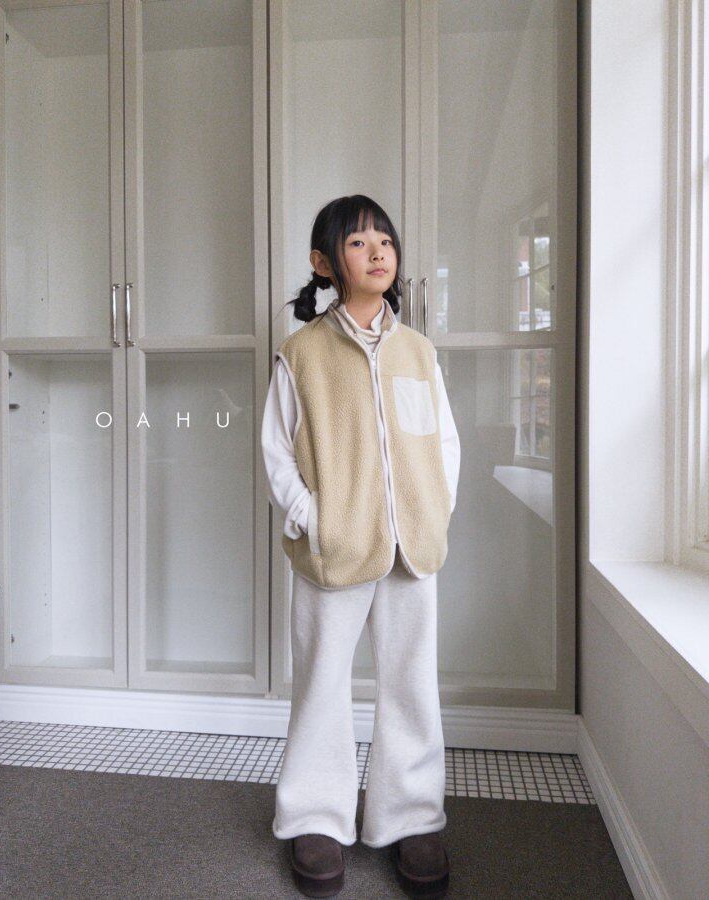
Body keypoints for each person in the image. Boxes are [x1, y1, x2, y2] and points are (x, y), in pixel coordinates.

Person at [261, 194, 461, 898]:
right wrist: (315, 519)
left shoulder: (418, 353)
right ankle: (315, 817)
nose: (377, 251)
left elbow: (443, 444)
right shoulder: (302, 354)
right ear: (324, 263)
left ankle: (411, 815)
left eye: (385, 240)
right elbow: (277, 453)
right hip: (334, 552)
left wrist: (433, 511)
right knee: (322, 682)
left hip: (413, 550)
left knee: (411, 683)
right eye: (357, 242)